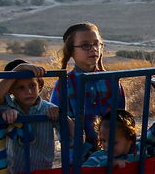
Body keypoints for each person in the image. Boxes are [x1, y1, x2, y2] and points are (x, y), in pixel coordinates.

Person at [52, 22, 126, 159]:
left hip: (112, 155)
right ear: (71, 51)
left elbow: (122, 120)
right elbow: (62, 126)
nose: (93, 49)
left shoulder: (112, 81)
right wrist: (87, 153)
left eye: (97, 44)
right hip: (79, 158)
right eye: (85, 45)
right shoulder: (64, 85)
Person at [0, 59, 59, 173]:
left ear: (40, 86)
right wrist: (20, 68)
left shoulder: (49, 109)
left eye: (32, 85)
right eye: (21, 88)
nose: (28, 92)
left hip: (43, 173)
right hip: (14, 173)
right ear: (10, 90)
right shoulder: (7, 108)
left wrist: (62, 115)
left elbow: (71, 134)